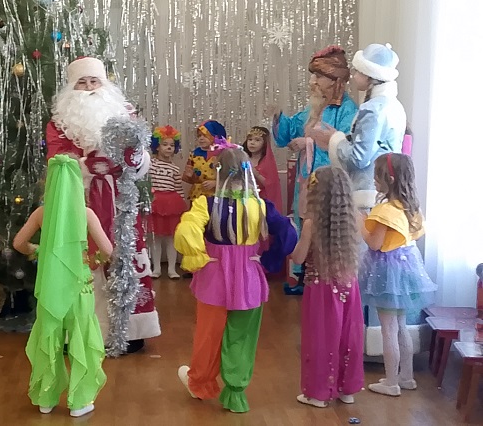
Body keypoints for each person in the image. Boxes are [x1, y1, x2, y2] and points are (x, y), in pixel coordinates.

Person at [45, 56, 159, 353]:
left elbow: (140, 156)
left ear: (104, 84)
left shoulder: (125, 115)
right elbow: (56, 161)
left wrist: (134, 160)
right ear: (72, 88)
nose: (89, 88)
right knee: (83, 262)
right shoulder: (59, 124)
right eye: (81, 83)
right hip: (80, 199)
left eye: (94, 81)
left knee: (126, 256)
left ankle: (130, 331)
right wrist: (87, 165)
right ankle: (82, 333)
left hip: (120, 200)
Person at [175, 144, 297, 413]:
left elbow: (187, 228)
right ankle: (235, 394)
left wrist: (197, 256)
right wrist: (270, 260)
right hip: (249, 278)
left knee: (208, 335)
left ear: (218, 171)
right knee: (242, 337)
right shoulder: (260, 206)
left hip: (213, 278)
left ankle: (200, 384)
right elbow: (288, 232)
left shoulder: (206, 204)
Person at [13, 155, 112, 417]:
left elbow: (18, 243)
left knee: (50, 338)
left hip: (50, 288)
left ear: (49, 183)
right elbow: (107, 249)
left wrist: (39, 251)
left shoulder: (41, 213)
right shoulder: (86, 214)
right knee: (81, 338)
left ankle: (46, 398)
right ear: (78, 182)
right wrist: (95, 261)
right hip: (80, 288)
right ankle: (79, 401)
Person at [360, 154, 436, 396]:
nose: (374, 180)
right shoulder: (411, 207)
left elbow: (374, 243)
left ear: (389, 180)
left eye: (377, 176)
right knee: (402, 325)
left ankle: (391, 382)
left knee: (388, 329)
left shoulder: (385, 211)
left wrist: (360, 221)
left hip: (387, 273)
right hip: (406, 268)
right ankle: (406, 377)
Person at [289, 167, 364, 407]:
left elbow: (298, 258)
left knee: (320, 338)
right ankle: (346, 390)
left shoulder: (311, 224)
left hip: (320, 288)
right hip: (348, 286)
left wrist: (293, 238)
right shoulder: (355, 219)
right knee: (348, 336)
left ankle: (318, 393)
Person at [308, 43, 407, 212]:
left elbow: (359, 158)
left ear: (370, 75)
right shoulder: (392, 105)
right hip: (383, 190)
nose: (353, 75)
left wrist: (334, 140)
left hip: (368, 193)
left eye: (358, 71)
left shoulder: (373, 110)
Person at [270, 45, 359, 230]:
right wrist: (278, 115)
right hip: (306, 185)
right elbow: (291, 130)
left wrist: (308, 143)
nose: (312, 82)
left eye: (318, 76)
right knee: (305, 230)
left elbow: (345, 150)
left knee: (324, 232)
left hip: (330, 188)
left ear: (335, 80)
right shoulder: (315, 108)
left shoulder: (348, 111)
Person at [148, 125, 189, 279]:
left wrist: (183, 207)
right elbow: (147, 183)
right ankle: (157, 268)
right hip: (156, 203)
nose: (168, 148)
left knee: (171, 238)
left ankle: (172, 268)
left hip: (172, 204)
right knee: (156, 237)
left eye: (172, 145)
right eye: (165, 144)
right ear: (157, 147)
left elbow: (178, 188)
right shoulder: (151, 165)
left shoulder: (174, 169)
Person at [182, 120, 227, 201]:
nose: (201, 138)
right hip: (197, 196)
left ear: (215, 136)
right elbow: (190, 179)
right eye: (199, 136)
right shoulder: (194, 154)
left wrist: (216, 183)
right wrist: (190, 176)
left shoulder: (224, 154)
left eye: (205, 135)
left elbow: (232, 178)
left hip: (217, 197)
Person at [242, 126, 283, 210]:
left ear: (265, 143)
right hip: (244, 199)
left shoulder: (267, 162)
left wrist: (256, 174)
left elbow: (271, 185)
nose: (252, 143)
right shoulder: (243, 158)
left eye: (257, 140)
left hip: (262, 201)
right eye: (250, 139)